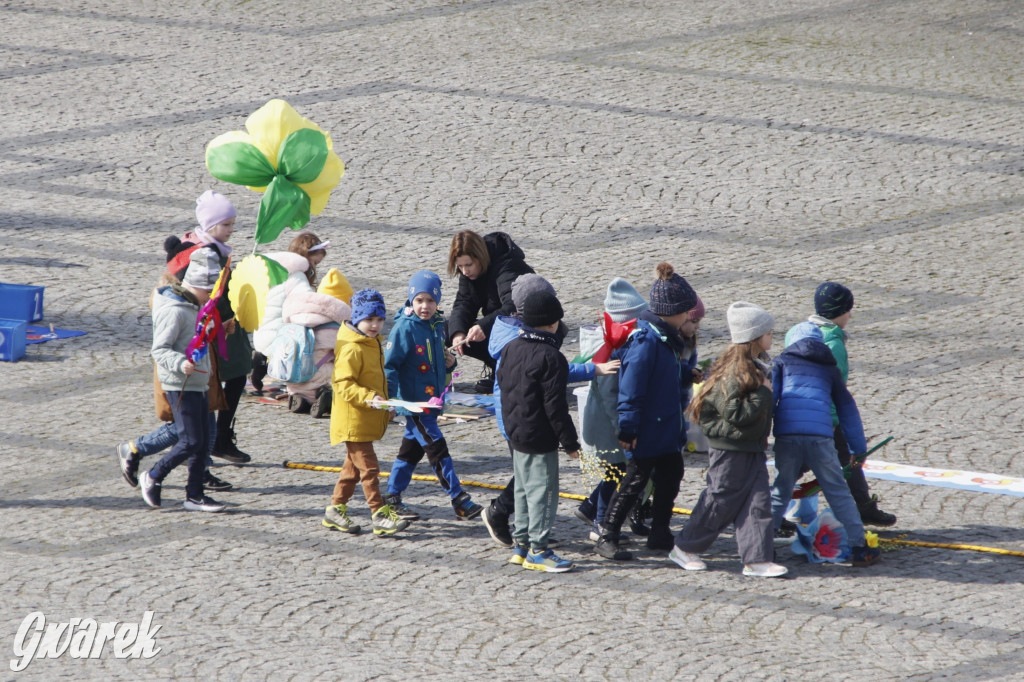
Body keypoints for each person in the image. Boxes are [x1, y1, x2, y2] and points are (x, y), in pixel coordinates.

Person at [479, 274, 618, 547]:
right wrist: (593, 369)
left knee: (526, 477)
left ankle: (525, 538)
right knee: (534, 480)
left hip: (513, 417)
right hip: (525, 420)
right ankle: (513, 525)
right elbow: (552, 380)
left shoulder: (513, 335)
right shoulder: (529, 345)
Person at [670, 302, 787, 578]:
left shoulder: (756, 366)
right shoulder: (736, 371)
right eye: (769, 333)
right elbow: (735, 413)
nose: (773, 337)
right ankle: (685, 548)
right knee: (719, 500)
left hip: (751, 447)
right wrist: (764, 394)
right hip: (730, 449)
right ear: (754, 338)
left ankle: (757, 558)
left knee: (758, 502)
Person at [595, 262, 701, 561]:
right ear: (671, 312)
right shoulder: (646, 342)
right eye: (685, 313)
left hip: (665, 427)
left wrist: (685, 375)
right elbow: (632, 389)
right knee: (634, 482)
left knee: (671, 476)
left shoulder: (665, 338)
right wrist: (627, 429)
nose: (688, 318)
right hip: (646, 430)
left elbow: (663, 377)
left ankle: (660, 532)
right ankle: (608, 533)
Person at [770, 322, 881, 567]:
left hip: (787, 436)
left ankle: (762, 546)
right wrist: (857, 449)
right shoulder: (828, 368)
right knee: (838, 492)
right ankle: (860, 547)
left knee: (781, 490)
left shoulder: (781, 363)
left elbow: (771, 400)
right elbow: (847, 408)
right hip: (821, 437)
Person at [787, 281, 896, 526]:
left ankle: (770, 503)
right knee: (844, 460)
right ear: (841, 312)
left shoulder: (797, 331)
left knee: (797, 463)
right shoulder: (833, 343)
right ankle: (862, 508)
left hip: (800, 413)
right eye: (848, 310)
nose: (850, 315)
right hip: (826, 417)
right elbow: (835, 386)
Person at [382, 271, 483, 520]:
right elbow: (391, 366)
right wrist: (390, 400)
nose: (424, 306)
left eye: (429, 300)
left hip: (432, 401)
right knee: (437, 448)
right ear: (411, 301)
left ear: (437, 301)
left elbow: (437, 361)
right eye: (419, 300)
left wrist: (449, 364)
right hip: (415, 404)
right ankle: (458, 498)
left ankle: (392, 497)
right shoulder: (403, 329)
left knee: (410, 451)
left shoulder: (438, 324)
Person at [165, 190, 253, 465]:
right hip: (214, 328)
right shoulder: (204, 253)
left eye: (232, 225)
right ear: (209, 225)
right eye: (226, 225)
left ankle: (215, 441)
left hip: (223, 326)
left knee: (231, 379)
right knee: (209, 389)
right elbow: (210, 292)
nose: (230, 230)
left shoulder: (206, 247)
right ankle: (208, 445)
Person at [497, 287, 581, 572]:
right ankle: (539, 550)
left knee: (522, 489)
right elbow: (555, 407)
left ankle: (520, 545)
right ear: (553, 323)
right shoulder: (552, 358)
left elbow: (504, 389)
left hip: (516, 432)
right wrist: (570, 442)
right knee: (543, 492)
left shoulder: (510, 347)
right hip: (540, 436)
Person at [139, 249, 226, 512]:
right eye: (208, 291)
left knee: (200, 443)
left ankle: (194, 496)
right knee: (189, 440)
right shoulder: (175, 310)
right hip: (180, 383)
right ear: (195, 286)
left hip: (198, 381)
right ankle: (153, 475)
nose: (211, 297)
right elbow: (159, 349)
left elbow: (193, 339)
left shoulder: (195, 306)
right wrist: (181, 363)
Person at [321, 289, 408, 537]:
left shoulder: (372, 343)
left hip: (365, 416)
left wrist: (385, 405)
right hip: (353, 420)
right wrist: (370, 398)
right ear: (357, 318)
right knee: (369, 469)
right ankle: (379, 514)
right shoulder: (353, 348)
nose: (375, 325)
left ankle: (335, 510)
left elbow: (376, 380)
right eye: (369, 319)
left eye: (380, 320)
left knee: (352, 469)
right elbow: (343, 384)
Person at [574, 278, 647, 543]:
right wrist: (622, 430)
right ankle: (600, 522)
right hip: (607, 427)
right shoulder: (611, 352)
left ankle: (591, 510)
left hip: (605, 425)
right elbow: (610, 397)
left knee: (615, 472)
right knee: (616, 473)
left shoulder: (612, 344)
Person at [446, 230, 534, 393]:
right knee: (444, 327)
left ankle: (509, 370)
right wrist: (457, 332)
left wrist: (483, 326)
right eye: (460, 266)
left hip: (524, 331)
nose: (464, 271)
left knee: (489, 330)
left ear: (480, 258)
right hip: (498, 329)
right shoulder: (468, 274)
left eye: (468, 265)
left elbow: (514, 306)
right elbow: (464, 303)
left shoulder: (508, 266)